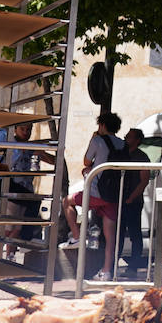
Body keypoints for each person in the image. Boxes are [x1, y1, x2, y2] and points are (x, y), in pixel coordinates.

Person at [60, 111, 125, 280]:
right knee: (110, 237)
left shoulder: (97, 140)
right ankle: (106, 271)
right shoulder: (122, 144)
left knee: (67, 201)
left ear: (102, 125)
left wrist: (93, 139)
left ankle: (76, 236)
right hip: (112, 195)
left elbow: (87, 161)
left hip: (95, 192)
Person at [0, 122, 55, 260]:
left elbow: (54, 160)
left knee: (17, 229)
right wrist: (23, 151)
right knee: (6, 229)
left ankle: (10, 256)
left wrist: (41, 152)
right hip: (11, 191)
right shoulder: (12, 145)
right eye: (22, 129)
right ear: (15, 130)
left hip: (26, 191)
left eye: (29, 129)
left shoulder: (32, 147)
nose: (26, 132)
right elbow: (8, 163)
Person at [117, 127, 152, 276]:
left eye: (130, 137)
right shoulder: (121, 154)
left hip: (133, 202)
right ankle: (112, 266)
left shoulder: (142, 157)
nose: (126, 138)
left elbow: (144, 181)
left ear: (137, 140)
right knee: (117, 234)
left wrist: (131, 198)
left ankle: (133, 267)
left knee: (134, 235)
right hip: (119, 200)